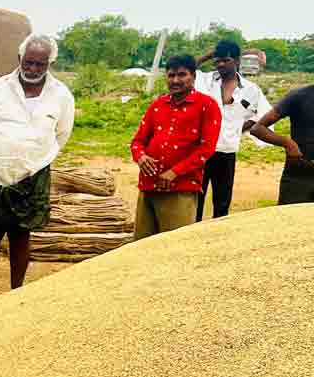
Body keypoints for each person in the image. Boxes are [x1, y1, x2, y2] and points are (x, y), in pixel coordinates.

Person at [0, 34, 75, 307]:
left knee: (21, 235)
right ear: (19, 59)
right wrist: (0, 155)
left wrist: (34, 157)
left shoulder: (61, 95)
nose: (33, 69)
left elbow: (62, 134)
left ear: (50, 63)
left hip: (33, 174)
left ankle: (16, 294)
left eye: (40, 64)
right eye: (29, 62)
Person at [129, 55, 221, 240]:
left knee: (175, 246)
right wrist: (141, 157)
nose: (175, 80)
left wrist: (174, 172)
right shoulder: (157, 105)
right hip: (148, 186)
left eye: (182, 75)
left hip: (181, 189)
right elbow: (138, 141)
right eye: (171, 75)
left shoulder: (207, 106)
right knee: (141, 246)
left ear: (193, 76)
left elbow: (206, 149)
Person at [192, 41, 272, 219]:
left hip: (226, 152)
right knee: (195, 200)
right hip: (200, 151)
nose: (220, 64)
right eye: (217, 61)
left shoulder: (251, 90)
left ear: (236, 61)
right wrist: (210, 54)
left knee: (222, 204)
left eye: (225, 60)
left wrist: (238, 129)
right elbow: (187, 68)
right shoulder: (205, 81)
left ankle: (219, 241)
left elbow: (263, 115)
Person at [250, 84, 314, 204]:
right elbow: (257, 128)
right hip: (300, 174)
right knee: (290, 220)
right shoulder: (299, 96)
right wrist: (288, 143)